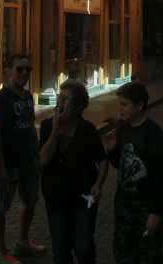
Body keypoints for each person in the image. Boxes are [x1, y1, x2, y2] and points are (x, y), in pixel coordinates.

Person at [38, 80, 108, 264]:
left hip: (83, 199)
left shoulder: (87, 129)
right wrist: (56, 128)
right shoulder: (47, 126)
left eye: (66, 99)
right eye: (60, 96)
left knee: (83, 247)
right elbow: (45, 158)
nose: (60, 101)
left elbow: (102, 160)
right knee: (61, 251)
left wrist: (98, 184)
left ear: (77, 107)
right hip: (55, 199)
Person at [0, 54, 46, 264]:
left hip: (28, 160)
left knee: (30, 200)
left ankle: (21, 242)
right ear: (8, 71)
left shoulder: (28, 96)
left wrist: (37, 154)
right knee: (1, 207)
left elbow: (30, 126)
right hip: (9, 162)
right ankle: (0, 252)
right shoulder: (2, 98)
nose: (24, 73)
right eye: (19, 69)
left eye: (27, 69)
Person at [103, 82, 163, 264]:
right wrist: (111, 150)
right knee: (124, 253)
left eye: (124, 104)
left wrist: (155, 212)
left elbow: (159, 174)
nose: (119, 108)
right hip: (124, 205)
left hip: (146, 206)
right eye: (119, 104)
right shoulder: (122, 129)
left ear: (139, 105)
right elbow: (120, 166)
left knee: (149, 255)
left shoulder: (153, 132)